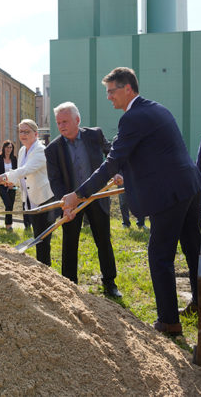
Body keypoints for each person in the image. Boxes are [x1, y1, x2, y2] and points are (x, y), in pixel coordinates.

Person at [62, 67, 201, 336]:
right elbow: (152, 152)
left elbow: (112, 160)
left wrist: (78, 193)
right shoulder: (155, 109)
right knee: (192, 247)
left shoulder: (133, 117)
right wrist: (123, 174)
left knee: (159, 254)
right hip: (189, 185)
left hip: (169, 192)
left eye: (111, 91)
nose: (108, 97)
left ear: (128, 88)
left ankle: (169, 321)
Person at [45, 102, 121, 297]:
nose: (61, 126)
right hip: (72, 201)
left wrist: (117, 172)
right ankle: (70, 283)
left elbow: (111, 154)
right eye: (58, 122)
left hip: (97, 195)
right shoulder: (53, 149)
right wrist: (65, 204)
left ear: (77, 120)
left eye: (65, 121)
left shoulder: (94, 135)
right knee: (69, 243)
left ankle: (110, 283)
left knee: (103, 240)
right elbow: (55, 180)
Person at [0, 120, 55, 265]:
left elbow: (26, 169)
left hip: (43, 199)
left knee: (43, 240)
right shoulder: (22, 150)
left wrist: (4, 176)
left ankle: (45, 270)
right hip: (30, 199)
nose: (23, 135)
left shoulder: (40, 149)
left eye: (27, 131)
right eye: (21, 131)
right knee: (37, 236)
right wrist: (10, 181)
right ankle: (42, 268)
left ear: (35, 133)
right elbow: (22, 175)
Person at [0, 140, 18, 230]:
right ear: (4, 148)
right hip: (2, 185)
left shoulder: (14, 159)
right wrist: (5, 182)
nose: (9, 149)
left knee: (10, 205)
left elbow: (16, 172)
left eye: (10, 147)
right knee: (8, 204)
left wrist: (12, 183)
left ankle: (9, 225)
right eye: (7, 147)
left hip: (12, 185)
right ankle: (8, 225)